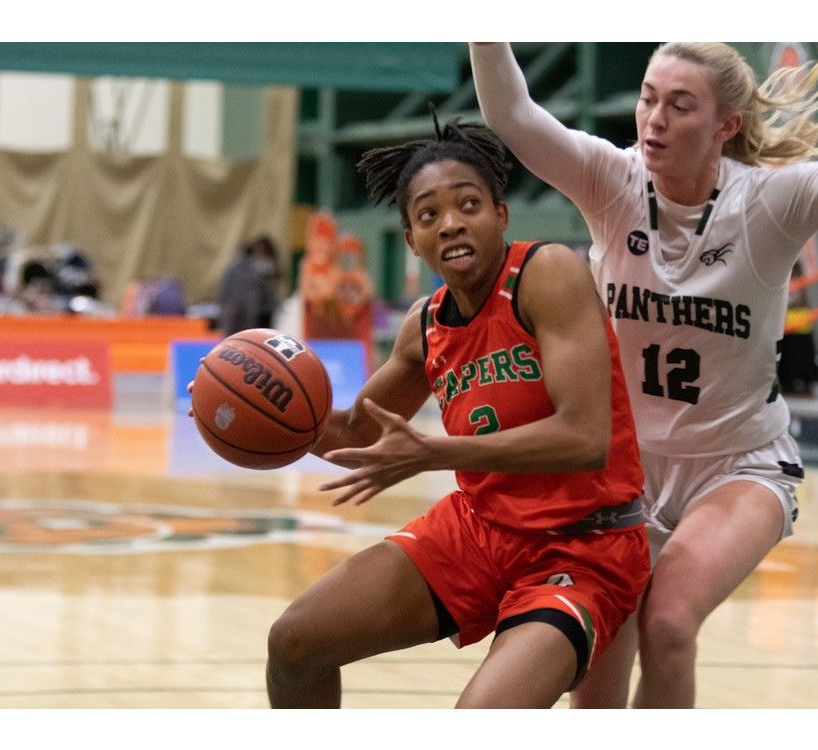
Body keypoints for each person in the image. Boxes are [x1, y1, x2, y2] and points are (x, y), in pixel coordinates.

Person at [469, 41, 818, 708]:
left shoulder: (774, 201)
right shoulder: (610, 179)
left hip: (737, 463)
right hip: (621, 467)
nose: (654, 119)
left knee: (668, 622)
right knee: (599, 658)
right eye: (647, 98)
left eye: (679, 105)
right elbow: (512, 114)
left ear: (726, 124)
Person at [264, 116, 650, 708]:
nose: (450, 223)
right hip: (480, 529)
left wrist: (435, 453)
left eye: (468, 204)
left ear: (500, 214)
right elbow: (347, 432)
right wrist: (253, 413)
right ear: (412, 240)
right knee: (295, 642)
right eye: (427, 215)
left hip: (584, 548)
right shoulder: (426, 323)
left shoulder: (547, 275)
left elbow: (585, 437)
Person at [217, 235, 279, 336]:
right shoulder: (236, 266)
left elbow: (264, 286)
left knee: (248, 330)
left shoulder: (259, 266)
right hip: (237, 304)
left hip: (252, 306)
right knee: (233, 329)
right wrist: (223, 302)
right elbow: (226, 285)